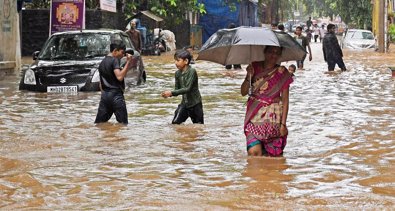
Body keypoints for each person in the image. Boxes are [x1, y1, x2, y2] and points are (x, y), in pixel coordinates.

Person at [240, 46, 293, 157]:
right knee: (254, 153)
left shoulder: (282, 73)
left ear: (280, 56)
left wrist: (283, 124)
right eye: (270, 52)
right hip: (254, 116)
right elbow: (243, 92)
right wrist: (249, 76)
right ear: (264, 52)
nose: (273, 55)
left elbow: (285, 100)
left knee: (272, 158)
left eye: (277, 53)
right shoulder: (254, 67)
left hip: (274, 119)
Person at [161, 49, 204, 124]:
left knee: (198, 127)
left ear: (186, 61)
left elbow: (187, 88)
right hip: (184, 104)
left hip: (195, 104)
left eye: (178, 60)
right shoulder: (177, 73)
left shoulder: (192, 71)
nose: (175, 63)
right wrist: (169, 94)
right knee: (175, 124)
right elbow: (177, 90)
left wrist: (171, 93)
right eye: (175, 60)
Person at [94, 42, 133, 124]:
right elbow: (119, 77)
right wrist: (128, 62)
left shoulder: (102, 62)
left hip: (105, 96)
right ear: (115, 51)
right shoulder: (114, 60)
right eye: (122, 52)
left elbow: (101, 84)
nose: (123, 55)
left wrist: (105, 96)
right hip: (116, 96)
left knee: (99, 124)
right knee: (123, 125)